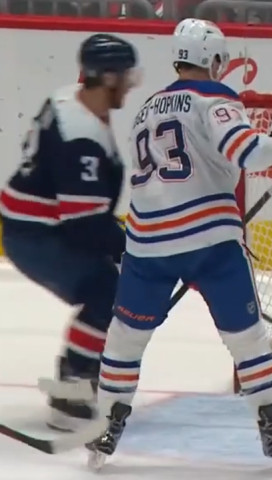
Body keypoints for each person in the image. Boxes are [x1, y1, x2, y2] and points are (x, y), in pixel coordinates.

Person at [86, 19, 272, 470]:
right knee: (246, 340)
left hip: (147, 243)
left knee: (125, 339)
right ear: (213, 59)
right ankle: (270, 422)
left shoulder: (146, 107)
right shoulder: (215, 96)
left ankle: (106, 426)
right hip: (210, 240)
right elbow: (245, 150)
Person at [0, 34, 138, 431]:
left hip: (34, 224)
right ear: (108, 78)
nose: (131, 83)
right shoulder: (82, 140)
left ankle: (81, 373)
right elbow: (84, 226)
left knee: (109, 287)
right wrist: (137, 251)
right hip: (35, 236)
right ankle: (71, 386)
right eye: (126, 76)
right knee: (106, 291)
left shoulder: (67, 99)